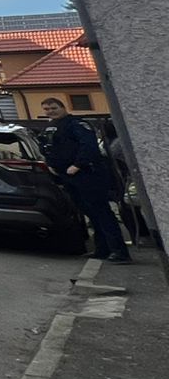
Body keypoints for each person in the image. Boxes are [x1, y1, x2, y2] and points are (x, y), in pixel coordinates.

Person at [42, 97, 131, 263]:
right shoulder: (52, 126)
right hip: (67, 176)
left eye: (53, 108)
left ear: (63, 107)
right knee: (91, 214)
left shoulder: (76, 124)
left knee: (101, 212)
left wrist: (78, 165)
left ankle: (119, 252)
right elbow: (49, 147)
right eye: (46, 109)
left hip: (87, 175)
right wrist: (52, 165)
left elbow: (88, 146)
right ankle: (102, 249)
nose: (50, 111)